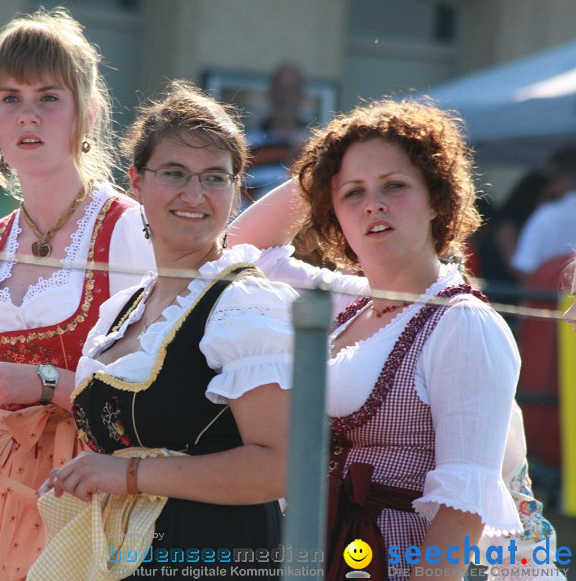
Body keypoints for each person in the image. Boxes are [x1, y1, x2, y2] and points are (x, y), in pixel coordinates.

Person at [231, 99, 559, 580]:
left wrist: (348, 165)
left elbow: (461, 513)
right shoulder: (345, 300)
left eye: (395, 185)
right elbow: (242, 252)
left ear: (435, 198)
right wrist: (323, 167)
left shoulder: (463, 324)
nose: (373, 205)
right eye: (353, 194)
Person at [0, 8, 155, 581]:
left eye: (49, 97)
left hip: (94, 509)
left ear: (86, 114)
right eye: (11, 98)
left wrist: (44, 384)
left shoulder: (126, 229)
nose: (28, 116)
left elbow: (148, 415)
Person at [31, 81, 297, 579]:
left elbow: (279, 466)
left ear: (237, 189)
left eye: (215, 178)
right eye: (174, 173)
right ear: (136, 182)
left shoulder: (245, 305)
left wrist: (126, 474)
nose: (194, 195)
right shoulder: (122, 311)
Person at [243, 64, 310, 205]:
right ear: (271, 94)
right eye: (280, 89)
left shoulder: (313, 143)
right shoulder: (248, 142)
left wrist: (299, 166)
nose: (284, 97)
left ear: (301, 96)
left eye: (291, 90)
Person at [511, 145, 576, 280]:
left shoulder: (546, 215)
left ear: (561, 179)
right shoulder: (546, 214)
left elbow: (524, 267)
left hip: (549, 299)